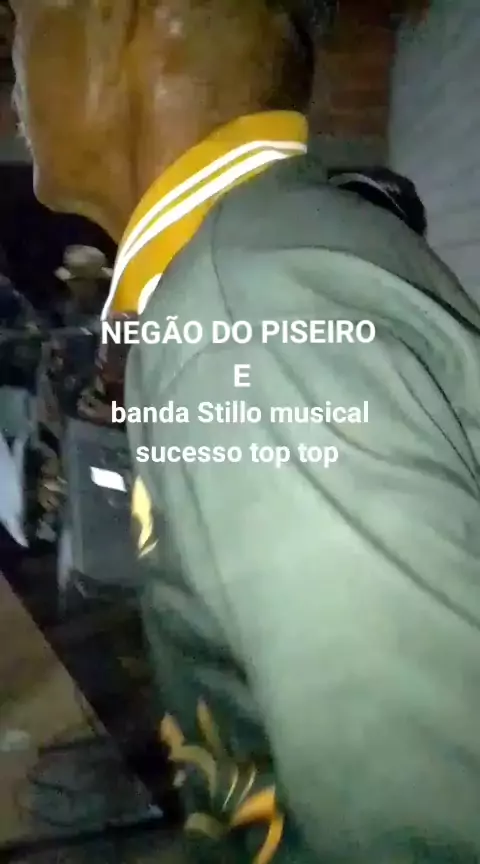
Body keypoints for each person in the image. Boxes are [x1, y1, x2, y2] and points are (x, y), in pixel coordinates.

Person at [10, 1, 480, 862]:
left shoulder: (239, 314)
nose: (12, 45)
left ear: (152, 20)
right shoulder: (270, 250)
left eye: (26, 9)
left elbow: (426, 829)